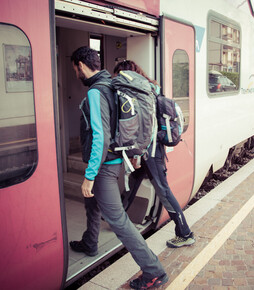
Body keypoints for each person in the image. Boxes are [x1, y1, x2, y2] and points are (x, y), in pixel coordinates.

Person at [69, 47, 168, 289]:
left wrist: (90, 176)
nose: (75, 74)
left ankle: (154, 272)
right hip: (114, 160)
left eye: (74, 69)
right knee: (91, 204)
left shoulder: (96, 92)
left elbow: (100, 136)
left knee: (118, 220)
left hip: (103, 166)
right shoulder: (112, 84)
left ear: (81, 65)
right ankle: (90, 242)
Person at [114, 60, 195, 248]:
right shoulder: (150, 89)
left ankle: (185, 233)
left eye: (120, 74)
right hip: (150, 150)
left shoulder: (141, 93)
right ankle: (117, 219)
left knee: (164, 191)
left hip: (150, 152)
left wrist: (138, 151)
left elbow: (146, 127)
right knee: (132, 183)